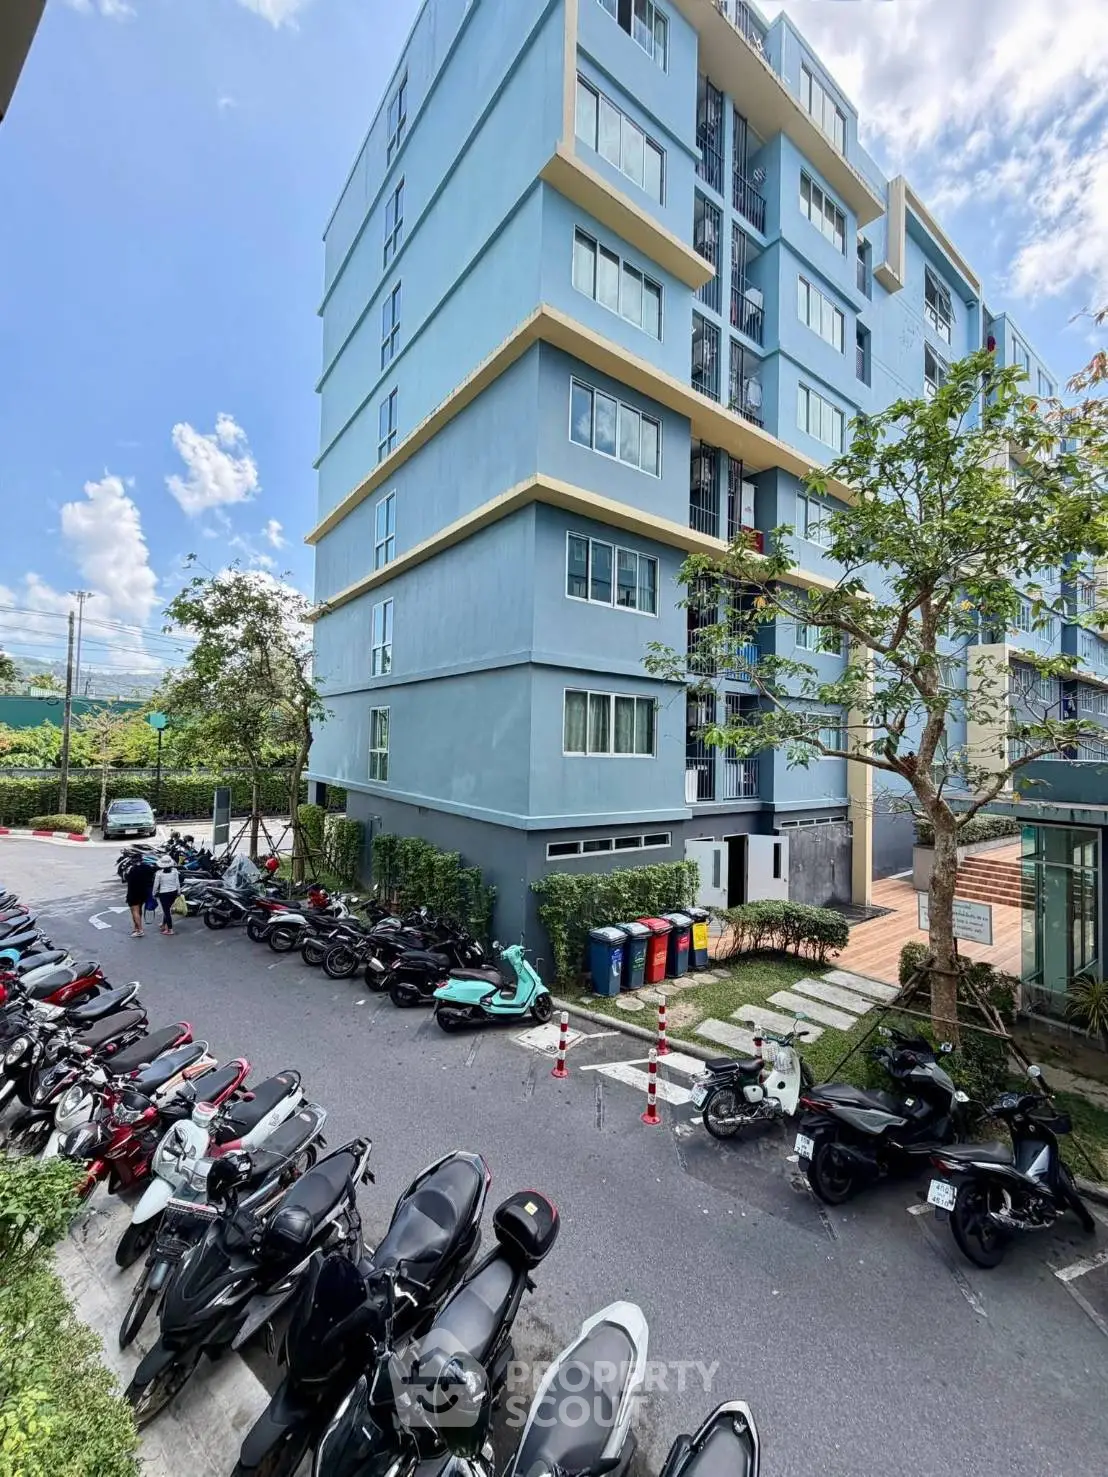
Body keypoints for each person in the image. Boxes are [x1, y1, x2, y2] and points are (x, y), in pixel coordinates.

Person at [151, 856, 181, 936]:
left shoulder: (159, 873)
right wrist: (179, 891)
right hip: (173, 892)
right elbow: (177, 883)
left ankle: (170, 930)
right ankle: (164, 924)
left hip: (164, 894)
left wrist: (153, 894)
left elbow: (156, 885)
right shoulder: (175, 871)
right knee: (167, 909)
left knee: (166, 911)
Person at [125, 856, 153, 938]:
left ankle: (140, 930)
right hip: (143, 892)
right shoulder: (147, 867)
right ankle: (136, 928)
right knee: (139, 909)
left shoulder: (132, 869)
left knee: (134, 911)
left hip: (133, 892)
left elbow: (126, 878)